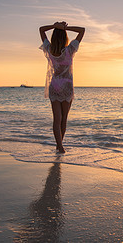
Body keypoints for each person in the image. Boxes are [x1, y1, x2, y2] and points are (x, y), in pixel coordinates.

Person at [39, 21, 85, 153]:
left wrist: (55, 26)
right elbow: (82, 30)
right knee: (64, 119)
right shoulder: (70, 50)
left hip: (55, 85)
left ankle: (60, 145)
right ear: (65, 37)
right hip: (67, 85)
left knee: (56, 119)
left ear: (54, 37)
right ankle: (60, 145)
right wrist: (66, 28)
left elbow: (41, 29)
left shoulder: (49, 49)